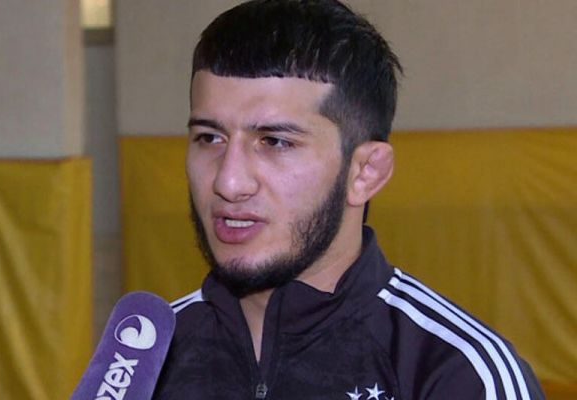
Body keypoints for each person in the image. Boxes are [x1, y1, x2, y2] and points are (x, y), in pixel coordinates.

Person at [153, 1, 544, 399]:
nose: (229, 181)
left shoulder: (460, 374)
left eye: (275, 142)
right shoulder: (142, 362)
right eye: (209, 138)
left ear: (365, 172)